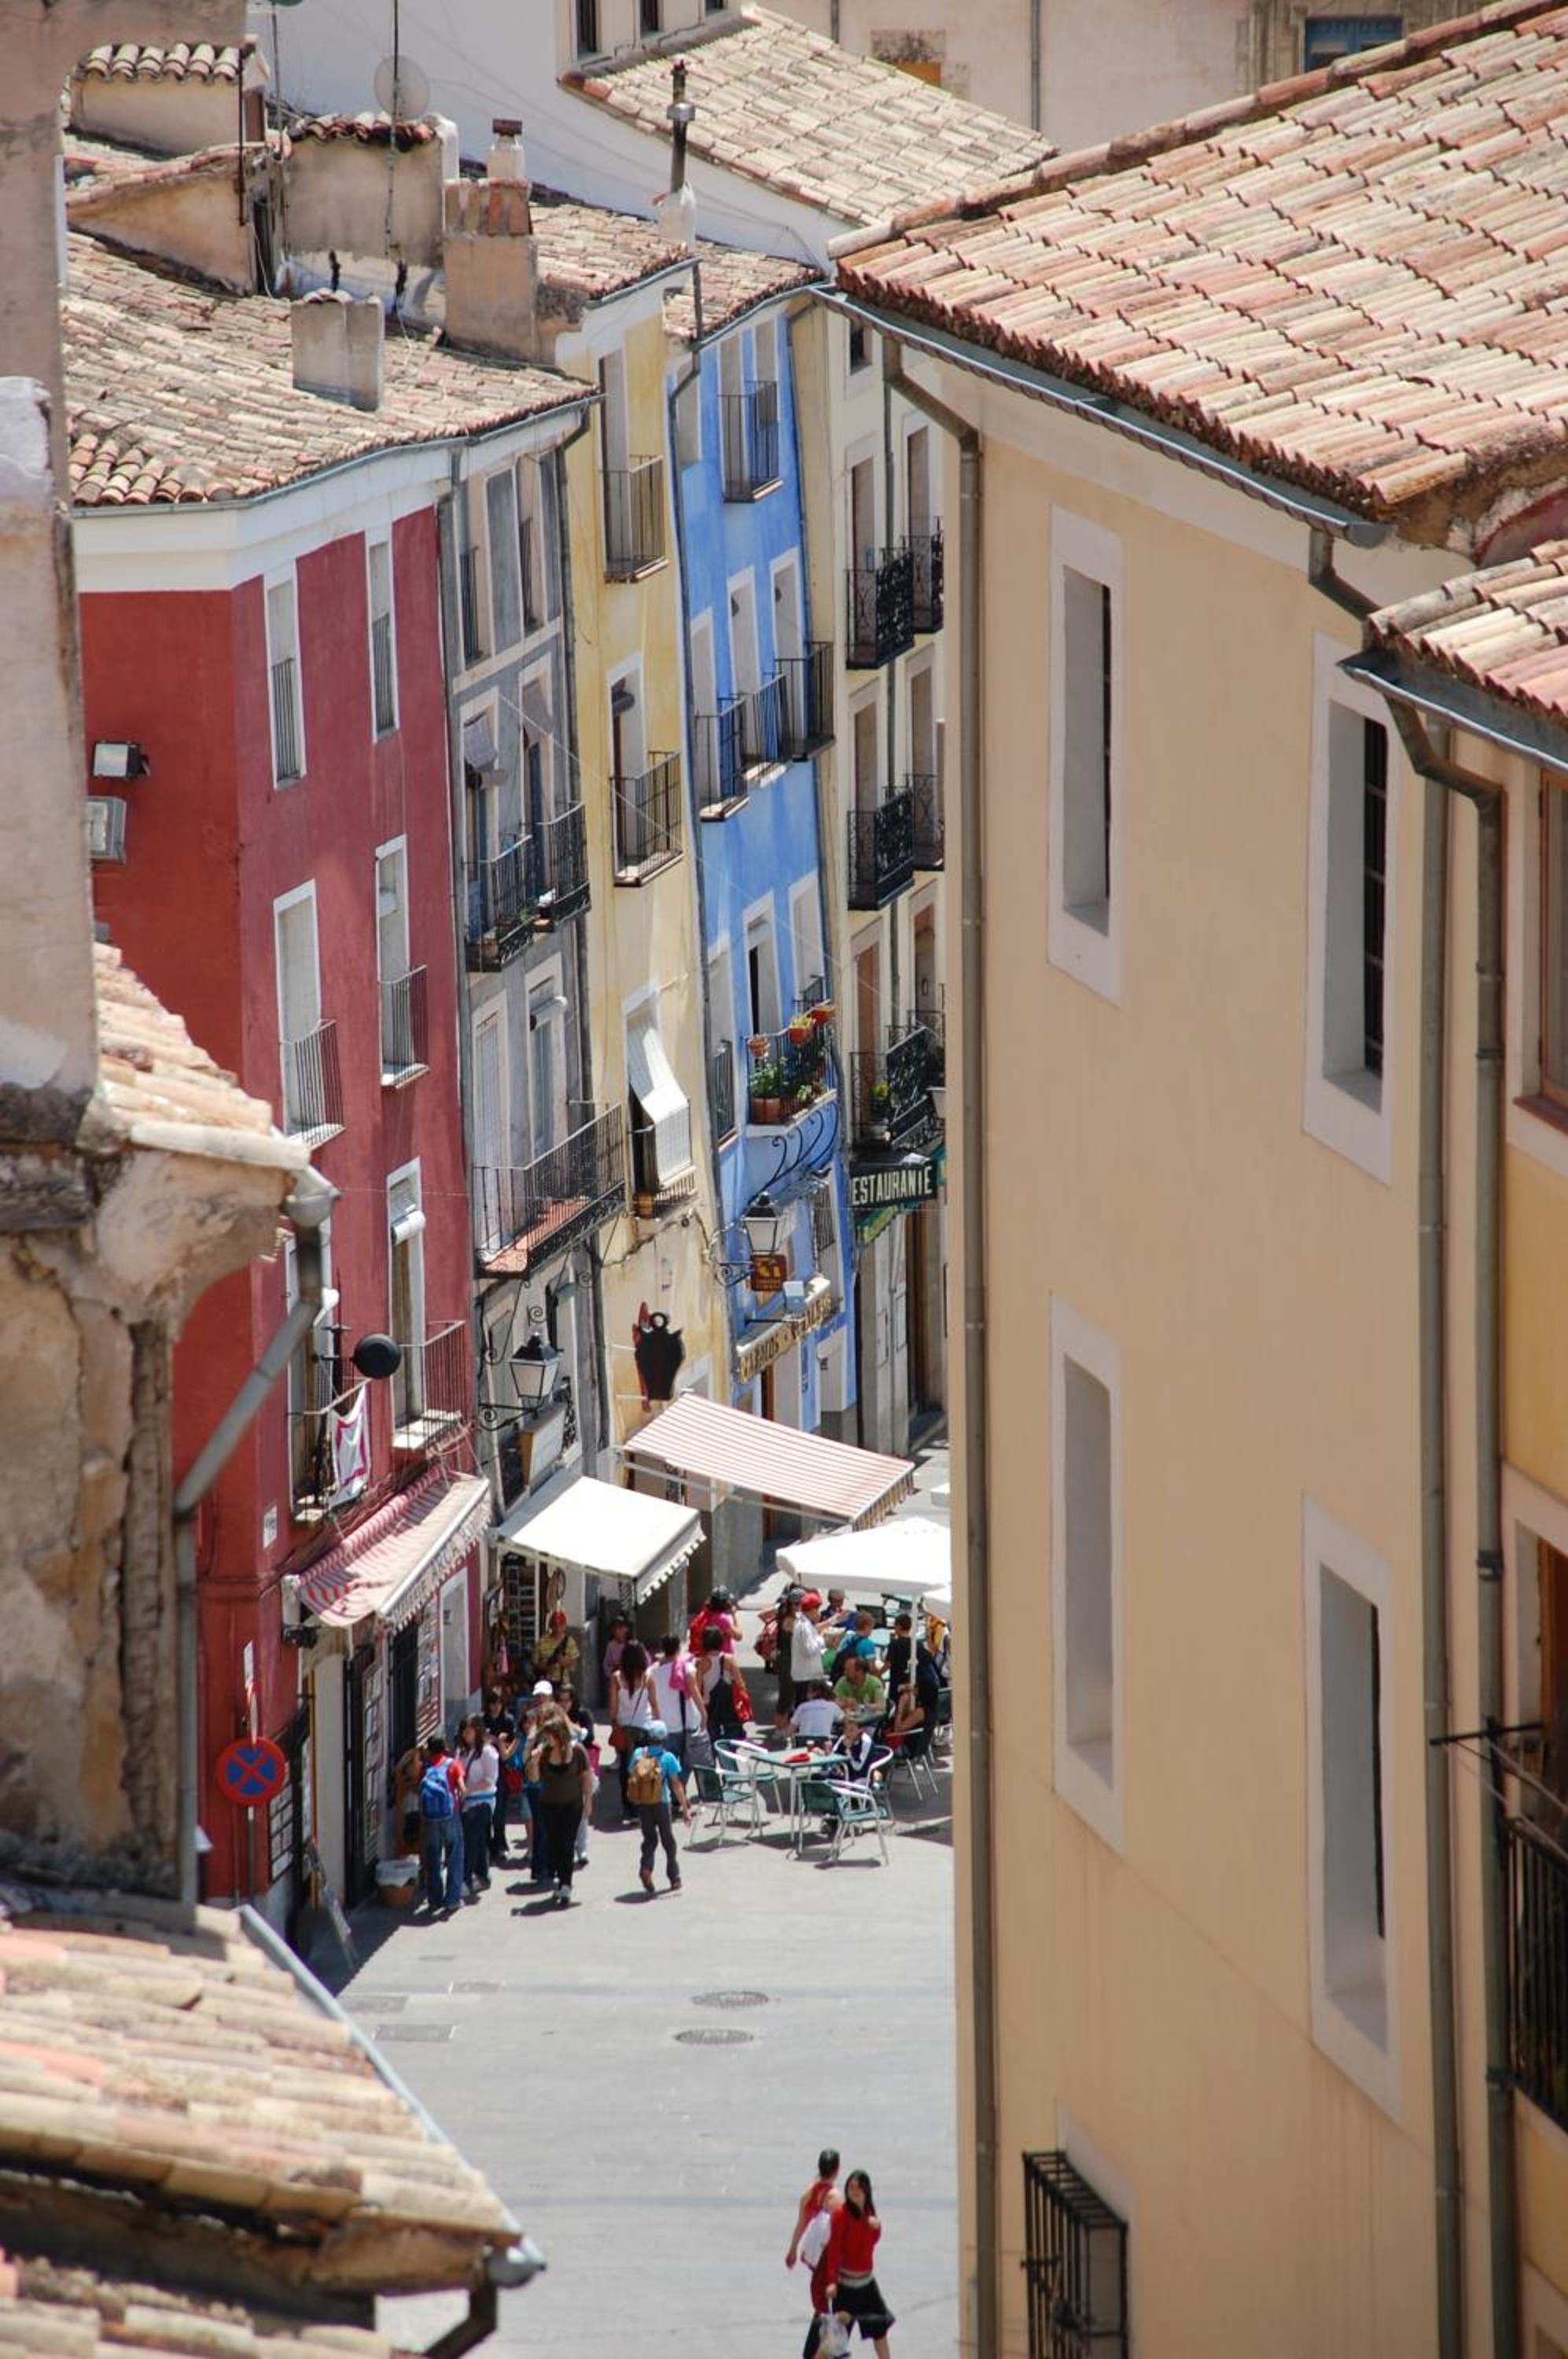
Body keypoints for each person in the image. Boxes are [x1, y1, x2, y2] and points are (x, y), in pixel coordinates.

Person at [526, 1704, 594, 1907]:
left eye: (550, 1736)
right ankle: (560, 1878)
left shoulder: (578, 1751)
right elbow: (534, 1779)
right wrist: (534, 1763)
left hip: (572, 1805)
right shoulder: (544, 1752)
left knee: (566, 1844)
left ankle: (566, 1884)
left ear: (560, 1735)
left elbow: (586, 1777)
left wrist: (588, 1801)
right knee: (554, 1845)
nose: (548, 1739)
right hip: (549, 1805)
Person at [824, 2169, 895, 2354]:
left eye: (858, 2187)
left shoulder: (869, 2213)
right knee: (836, 2340)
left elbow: (871, 2242)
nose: (854, 2191)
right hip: (846, 2288)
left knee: (880, 2330)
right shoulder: (840, 2215)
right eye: (851, 2187)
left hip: (867, 2285)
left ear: (866, 2190)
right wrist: (831, 2282)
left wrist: (877, 2228)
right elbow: (834, 2250)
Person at [787, 2147, 843, 2359]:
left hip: (812, 2255)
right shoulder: (834, 2196)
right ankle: (823, 2348)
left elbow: (801, 2224)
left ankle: (820, 2348)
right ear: (837, 2170)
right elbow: (841, 2228)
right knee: (830, 2306)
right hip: (827, 2257)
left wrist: (793, 2250)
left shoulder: (809, 2193)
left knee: (823, 2302)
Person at [625, 1717, 691, 1893]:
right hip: (662, 1803)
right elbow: (676, 1785)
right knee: (668, 1841)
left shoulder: (638, 1754)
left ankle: (646, 1867)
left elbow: (631, 1773)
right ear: (665, 1738)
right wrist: (685, 1810)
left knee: (649, 1839)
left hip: (643, 1804)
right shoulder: (668, 1758)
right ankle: (674, 1878)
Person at [608, 1637, 658, 1818]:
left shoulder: (616, 1678)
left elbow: (613, 1708)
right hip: (644, 1728)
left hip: (624, 1728)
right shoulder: (647, 1678)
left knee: (626, 1769)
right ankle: (642, 1803)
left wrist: (614, 1724)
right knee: (644, 1768)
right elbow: (654, 1705)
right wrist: (659, 1727)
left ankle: (628, 1805)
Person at [418, 1736, 465, 1915]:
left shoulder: (426, 1767)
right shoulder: (453, 1764)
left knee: (433, 1858)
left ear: (429, 1750)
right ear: (445, 1748)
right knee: (454, 1855)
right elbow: (462, 1789)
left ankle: (434, 1900)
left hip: (430, 1818)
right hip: (450, 1815)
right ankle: (452, 1900)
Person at [455, 1715, 499, 1897]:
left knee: (470, 1840)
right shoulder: (461, 1752)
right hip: (466, 1803)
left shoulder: (487, 1752)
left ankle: (465, 1880)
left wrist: (468, 1789)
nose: (466, 1734)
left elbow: (490, 1779)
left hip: (483, 1802)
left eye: (469, 1730)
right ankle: (483, 1876)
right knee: (479, 1839)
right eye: (463, 1730)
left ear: (478, 1730)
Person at [557, 1683, 597, 1867]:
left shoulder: (583, 1715)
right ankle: (567, 1846)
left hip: (581, 1769)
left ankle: (582, 1848)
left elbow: (589, 1737)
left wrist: (567, 1722)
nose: (564, 1704)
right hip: (560, 1770)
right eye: (561, 1700)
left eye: (568, 1700)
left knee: (581, 1810)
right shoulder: (554, 1718)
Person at [650, 1632, 702, 1768]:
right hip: (686, 1723)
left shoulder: (652, 1671)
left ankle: (672, 1781)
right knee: (687, 1764)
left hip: (663, 1725)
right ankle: (680, 1781)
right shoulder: (687, 1668)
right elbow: (695, 1693)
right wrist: (704, 1714)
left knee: (665, 1765)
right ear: (679, 1648)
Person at [482, 1687, 518, 1866]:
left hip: (502, 1771)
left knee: (500, 1812)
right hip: (484, 1771)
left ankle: (500, 1845)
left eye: (498, 1703)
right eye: (492, 1703)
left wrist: (496, 1740)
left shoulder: (508, 1721)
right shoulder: (482, 1721)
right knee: (486, 1812)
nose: (496, 1707)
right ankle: (488, 1846)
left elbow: (511, 1746)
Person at [697, 1623, 746, 1743]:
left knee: (712, 1737)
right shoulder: (729, 1659)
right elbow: (740, 1685)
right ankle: (728, 1753)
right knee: (732, 1737)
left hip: (709, 1704)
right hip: (728, 1704)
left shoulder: (701, 1663)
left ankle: (714, 1753)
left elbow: (698, 1687)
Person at [686, 1586, 740, 1658]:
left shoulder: (704, 1614)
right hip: (720, 1658)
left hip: (704, 1657)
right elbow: (738, 1636)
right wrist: (734, 1615)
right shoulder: (722, 1619)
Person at [533, 1606, 580, 1687]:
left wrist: (565, 1662)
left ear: (565, 1626)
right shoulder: (542, 1642)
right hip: (546, 1682)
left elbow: (574, 1665)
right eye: (555, 1626)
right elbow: (535, 1663)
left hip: (563, 1683)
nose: (558, 1629)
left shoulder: (569, 1642)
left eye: (560, 1626)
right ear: (551, 1626)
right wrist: (546, 1667)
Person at [834, 1652, 886, 1723]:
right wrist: (845, 1702)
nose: (845, 1672)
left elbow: (882, 1706)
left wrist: (861, 1707)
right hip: (847, 1722)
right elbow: (832, 1702)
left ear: (859, 1671)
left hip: (869, 1723)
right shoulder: (842, 1681)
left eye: (848, 1670)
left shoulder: (875, 1683)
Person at [773, 1593, 798, 1730]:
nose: (800, 1607)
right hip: (787, 1661)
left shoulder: (792, 1618)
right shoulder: (789, 1620)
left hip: (790, 1660)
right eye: (797, 1604)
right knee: (786, 1696)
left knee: (790, 1695)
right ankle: (780, 1728)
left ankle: (784, 1727)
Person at [791, 1680, 843, 1745]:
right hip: (823, 1743)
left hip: (803, 1742)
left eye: (808, 1691)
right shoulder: (832, 1706)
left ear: (814, 1693)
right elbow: (846, 1721)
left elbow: (791, 1729)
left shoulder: (802, 1707)